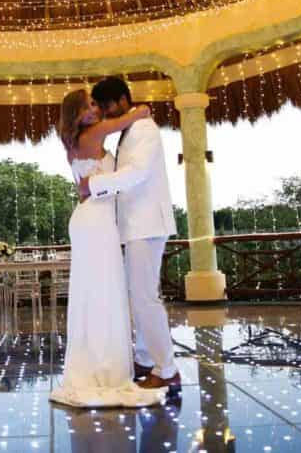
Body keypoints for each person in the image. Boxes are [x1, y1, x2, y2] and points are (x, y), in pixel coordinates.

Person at [49, 88, 164, 408]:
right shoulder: (94, 133)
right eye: (89, 106)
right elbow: (131, 117)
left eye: (96, 104)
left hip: (93, 219)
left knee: (98, 291)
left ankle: (101, 361)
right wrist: (141, 109)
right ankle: (104, 367)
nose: (96, 110)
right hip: (96, 221)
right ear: (75, 113)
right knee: (103, 291)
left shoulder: (76, 140)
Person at [78, 76, 180, 389]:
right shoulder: (128, 130)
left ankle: (167, 369)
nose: (106, 111)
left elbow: (137, 173)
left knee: (145, 297)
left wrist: (92, 185)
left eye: (107, 104)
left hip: (147, 224)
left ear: (123, 98)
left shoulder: (144, 129)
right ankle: (146, 359)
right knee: (140, 295)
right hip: (134, 225)